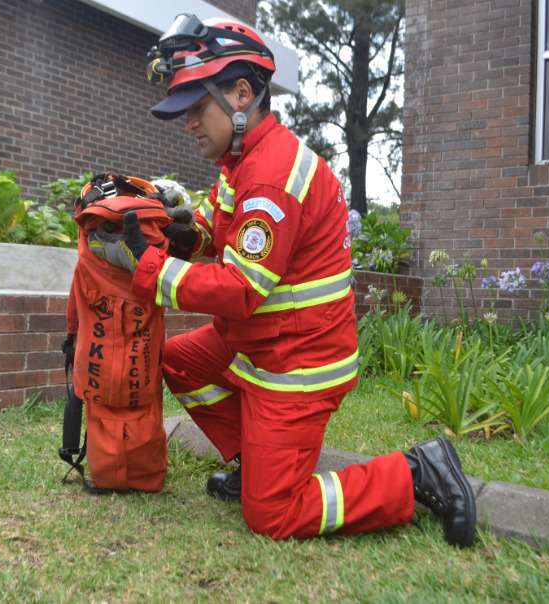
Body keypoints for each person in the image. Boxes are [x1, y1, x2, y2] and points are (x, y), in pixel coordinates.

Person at [90, 13, 476, 546]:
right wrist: (186, 236)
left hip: (296, 362)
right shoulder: (241, 161)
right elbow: (219, 229)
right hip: (263, 345)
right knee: (176, 359)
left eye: (197, 107)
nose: (189, 123)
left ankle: (416, 474)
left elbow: (239, 291)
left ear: (241, 94)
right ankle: (258, 461)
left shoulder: (271, 175)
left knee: (272, 515)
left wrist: (149, 266)